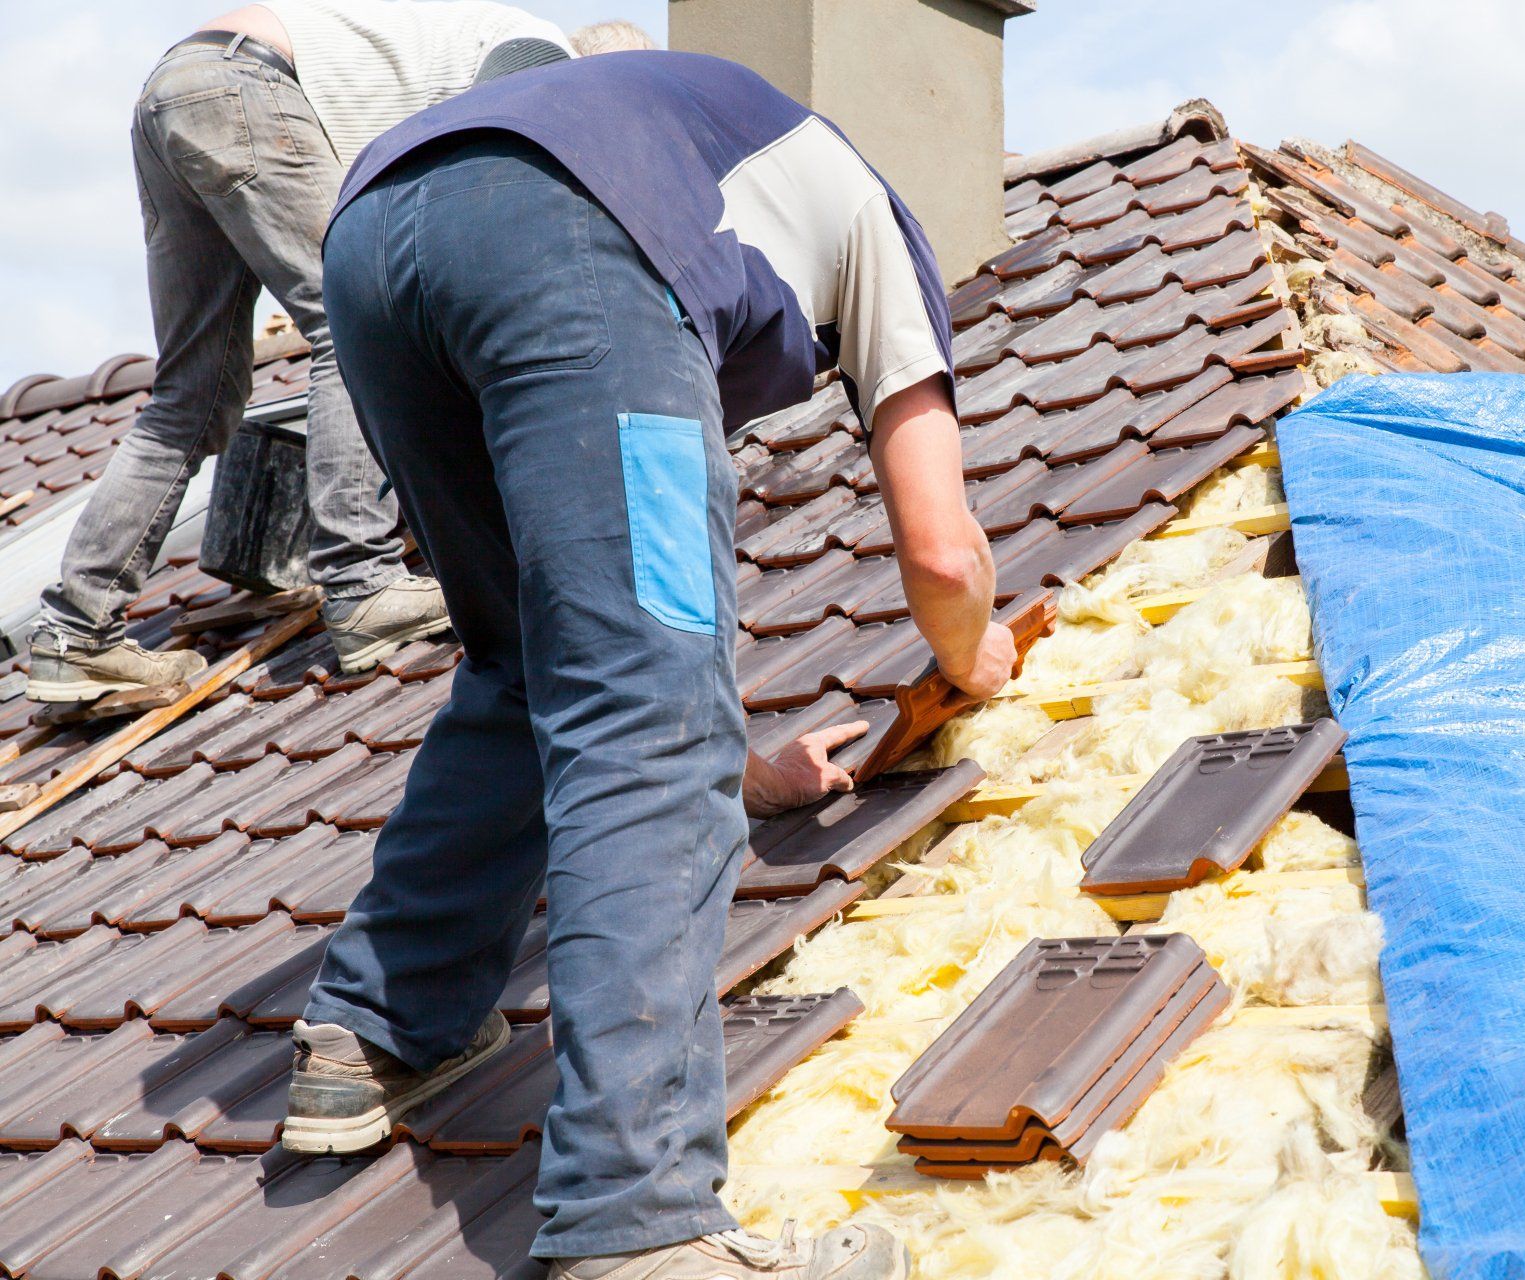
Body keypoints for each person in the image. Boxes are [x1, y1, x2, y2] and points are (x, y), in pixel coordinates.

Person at [281, 43, 1016, 1280]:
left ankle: (376, 1033)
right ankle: (639, 1220)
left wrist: (745, 765)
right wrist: (972, 652)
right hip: (570, 229)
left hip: (373, 237)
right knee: (645, 725)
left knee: (523, 657)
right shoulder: (882, 227)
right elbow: (943, 555)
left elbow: (599, 608)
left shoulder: (707, 149)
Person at [25, 2, 647, 702]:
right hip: (244, 84)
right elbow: (503, 205)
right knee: (348, 320)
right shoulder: (542, 54)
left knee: (192, 394)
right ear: (606, 80)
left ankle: (73, 632)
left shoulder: (463, 53)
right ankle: (360, 581)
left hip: (180, 85)